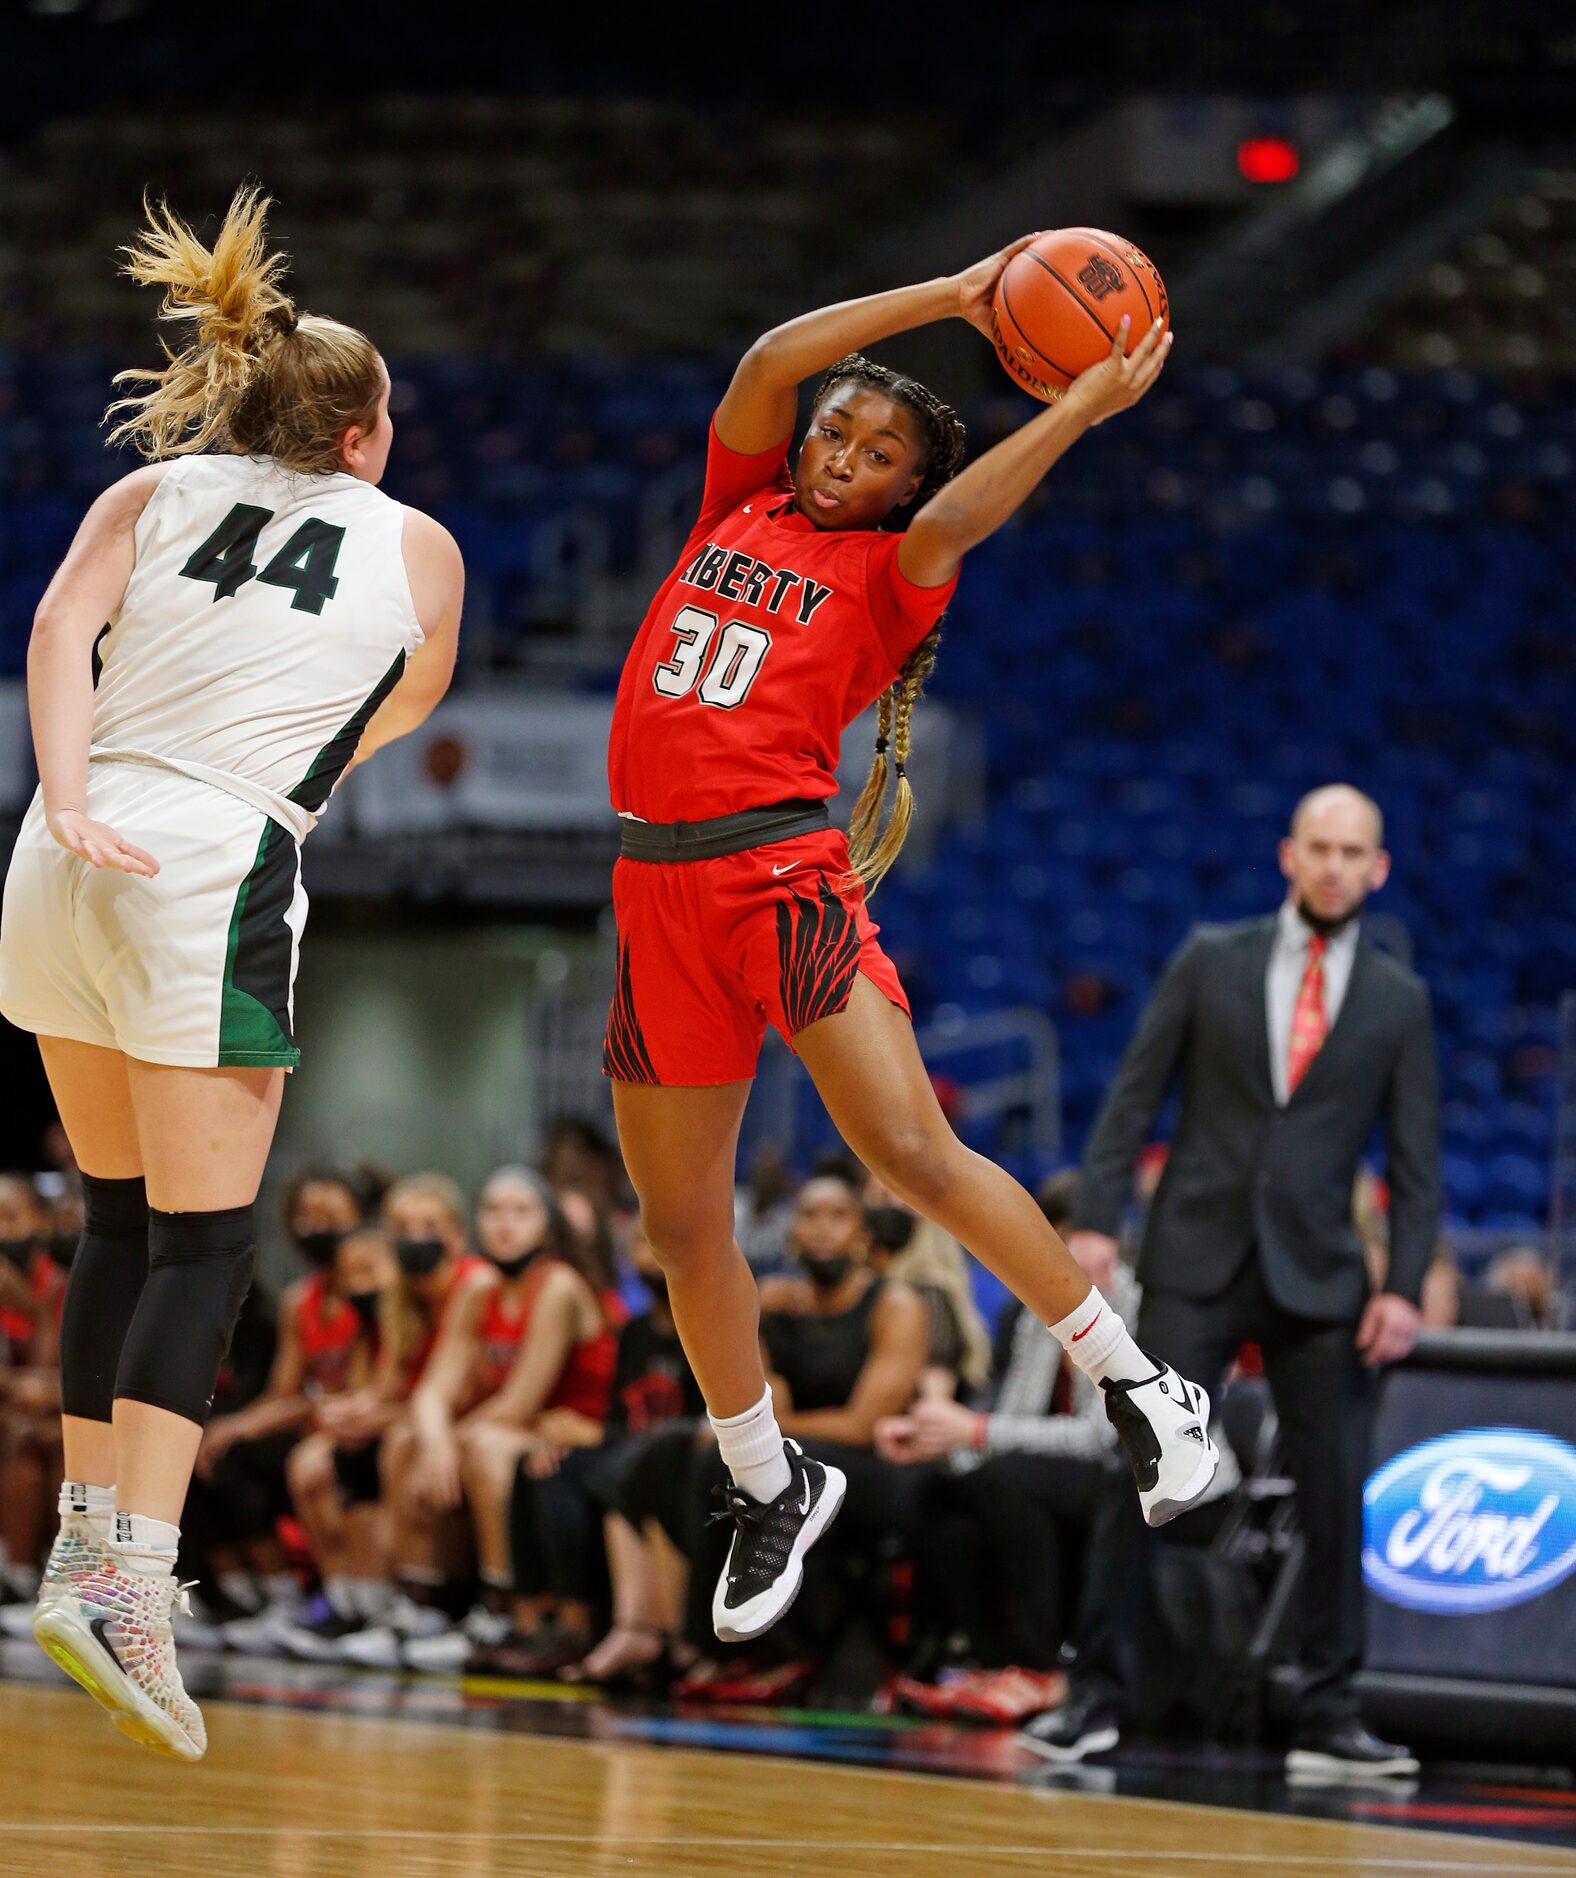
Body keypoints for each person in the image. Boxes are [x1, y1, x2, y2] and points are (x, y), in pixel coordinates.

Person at [601, 240, 1213, 1647]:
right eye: (839, 430)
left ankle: (1135, 1383)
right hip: (655, 895)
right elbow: (767, 363)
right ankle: (768, 1476)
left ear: (900, 487)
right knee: (680, 1227)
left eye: (878, 451)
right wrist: (956, 293)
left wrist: (1073, 409)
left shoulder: (894, 568)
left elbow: (968, 513)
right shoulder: (734, 507)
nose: (843, 453)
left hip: (780, 878)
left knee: (908, 1152)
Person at [0, 185, 465, 1759]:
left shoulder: (148, 496)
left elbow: (55, 636)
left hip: (63, 845)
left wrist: (64, 790)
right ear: (358, 435)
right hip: (215, 851)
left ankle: (79, 1542)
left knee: (117, 1220)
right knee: (210, 1244)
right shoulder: (419, 545)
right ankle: (138, 1578)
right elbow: (392, 718)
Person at [1024, 785, 1440, 1778]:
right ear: (1286, 855)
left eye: (1353, 852)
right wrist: (1093, 1220)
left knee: (1335, 1490)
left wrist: (1405, 1283)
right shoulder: (1211, 957)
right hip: (1195, 1257)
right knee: (1144, 1472)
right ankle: (1092, 1699)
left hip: (1321, 1275)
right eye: (1319, 848)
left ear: (1376, 868)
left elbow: (1416, 1158)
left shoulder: (1398, 998)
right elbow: (1135, 1091)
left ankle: (1331, 1715)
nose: (1335, 865)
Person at [282, 1172, 482, 1660]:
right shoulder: (402, 1300)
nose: (416, 1239)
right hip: (419, 1417)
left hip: (459, 1420)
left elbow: (441, 1392)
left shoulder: (473, 1285)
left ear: (457, 1233)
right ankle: (356, 1600)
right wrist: (352, 1411)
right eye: (405, 1228)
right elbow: (389, 1386)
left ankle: (420, 1603)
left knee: (396, 1449)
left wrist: (379, 1417)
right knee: (312, 1460)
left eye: (429, 1225)